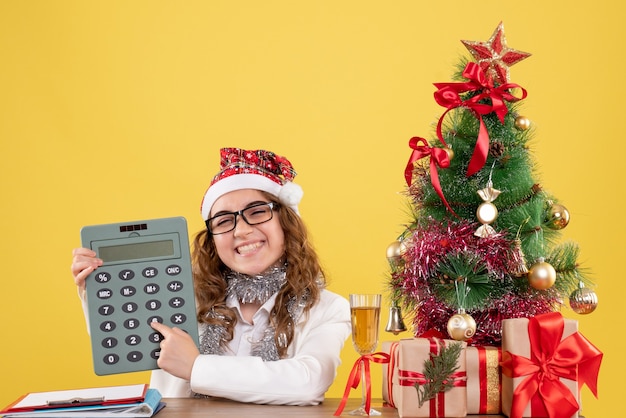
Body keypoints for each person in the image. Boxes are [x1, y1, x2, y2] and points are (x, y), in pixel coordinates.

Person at [71, 148, 351, 405]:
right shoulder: (180, 296)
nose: (240, 230)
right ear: (213, 240)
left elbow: (308, 382)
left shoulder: (328, 309)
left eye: (256, 212)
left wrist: (196, 366)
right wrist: (96, 289)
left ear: (286, 223)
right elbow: (122, 337)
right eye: (224, 220)